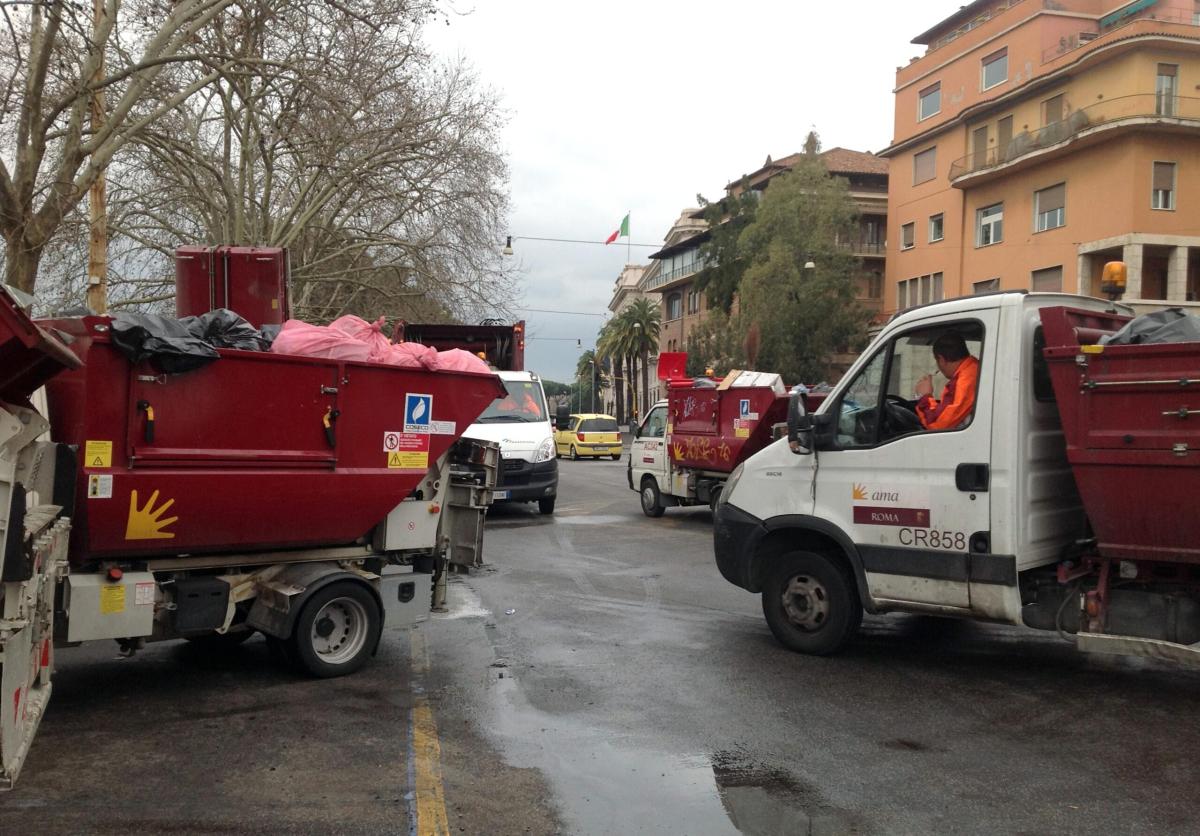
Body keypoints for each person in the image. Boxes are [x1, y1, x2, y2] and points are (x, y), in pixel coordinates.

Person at [914, 332, 979, 431]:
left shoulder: (963, 381)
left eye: (937, 361)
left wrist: (924, 396)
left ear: (941, 359)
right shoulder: (974, 368)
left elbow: (937, 425)